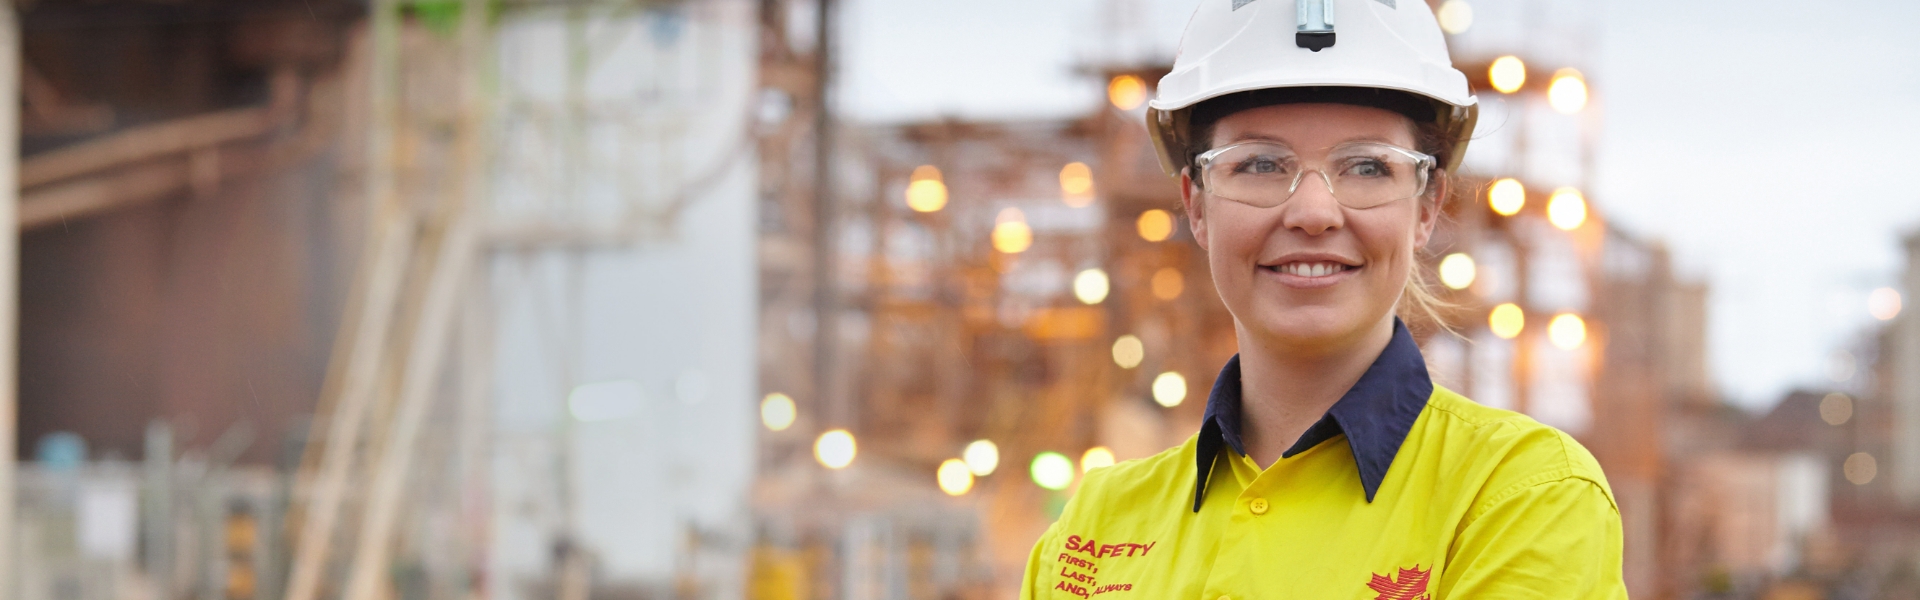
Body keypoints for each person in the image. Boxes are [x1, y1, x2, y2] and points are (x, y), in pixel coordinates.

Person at [1020, 0, 1627, 598]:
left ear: (1428, 205)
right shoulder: (1091, 531)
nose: (1313, 212)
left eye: (1366, 167)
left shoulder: (1522, 497)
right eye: (1259, 163)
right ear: (1197, 204)